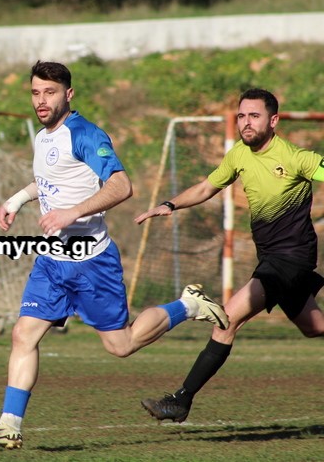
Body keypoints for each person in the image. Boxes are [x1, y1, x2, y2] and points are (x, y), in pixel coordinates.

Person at [0, 61, 229, 450]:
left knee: (121, 345)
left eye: (50, 92)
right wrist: (16, 200)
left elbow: (122, 185)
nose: (41, 100)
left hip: (93, 264)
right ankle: (9, 424)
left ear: (68, 94)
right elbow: (50, 181)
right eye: (36, 92)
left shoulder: (86, 134)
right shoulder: (43, 137)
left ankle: (188, 305)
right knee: (23, 333)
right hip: (53, 262)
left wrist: (71, 213)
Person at [135, 88, 324, 423]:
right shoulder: (238, 154)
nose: (246, 122)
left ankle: (180, 401)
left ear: (273, 121)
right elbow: (207, 187)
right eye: (241, 116)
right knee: (314, 326)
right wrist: (170, 204)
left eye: (254, 116)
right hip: (271, 257)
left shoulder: (296, 157)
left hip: (291, 259)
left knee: (227, 318)